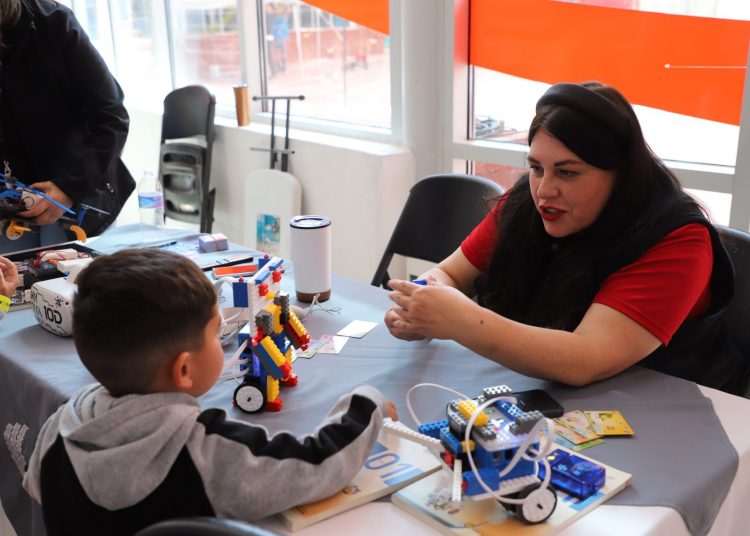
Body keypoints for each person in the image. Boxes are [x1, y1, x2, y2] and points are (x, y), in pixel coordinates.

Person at [386, 81, 748, 395]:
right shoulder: (528, 201)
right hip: (566, 398)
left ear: (621, 174)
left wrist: (462, 320)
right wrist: (419, 305)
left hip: (683, 410)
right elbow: (450, 273)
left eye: (568, 173)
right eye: (536, 167)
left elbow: (586, 358)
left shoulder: (678, 241)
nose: (544, 190)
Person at [22, 248, 396, 534]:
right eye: (216, 334)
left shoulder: (59, 425)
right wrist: (367, 404)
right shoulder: (208, 451)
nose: (222, 344)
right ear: (184, 369)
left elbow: (36, 487)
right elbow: (315, 465)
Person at [0, 0, 135, 253]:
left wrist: (69, 189)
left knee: (67, 274)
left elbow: (112, 117)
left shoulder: (55, 22)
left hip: (76, 189)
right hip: (12, 202)